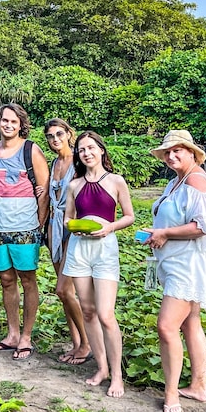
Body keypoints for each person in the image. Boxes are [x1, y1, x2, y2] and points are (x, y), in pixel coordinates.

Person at [143, 130, 206, 412]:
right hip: (175, 261)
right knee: (190, 323)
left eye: (178, 151)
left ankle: (171, 393)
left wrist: (165, 232)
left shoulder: (197, 181)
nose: (172, 156)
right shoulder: (177, 182)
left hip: (189, 265)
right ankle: (199, 386)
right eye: (168, 152)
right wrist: (159, 234)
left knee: (166, 326)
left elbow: (203, 226)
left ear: (191, 153)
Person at [62, 131, 134, 397]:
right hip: (80, 250)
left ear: (101, 150)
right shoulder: (74, 185)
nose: (87, 153)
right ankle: (101, 367)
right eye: (81, 150)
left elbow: (129, 216)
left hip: (105, 249)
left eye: (91, 148)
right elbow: (67, 219)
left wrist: (109, 227)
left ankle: (117, 375)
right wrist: (74, 227)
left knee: (106, 314)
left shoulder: (116, 181)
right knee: (88, 312)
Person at [0, 103, 49, 361]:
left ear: (21, 124)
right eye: (4, 121)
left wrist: (39, 225)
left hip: (26, 226)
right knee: (6, 280)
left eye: (13, 121)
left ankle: (26, 336)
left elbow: (43, 191)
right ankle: (12, 334)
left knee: (27, 280)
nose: (8, 125)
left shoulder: (31, 150)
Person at [43, 118, 90, 365]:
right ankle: (76, 343)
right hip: (54, 228)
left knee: (63, 289)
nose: (55, 139)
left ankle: (87, 342)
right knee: (65, 293)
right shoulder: (54, 163)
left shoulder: (79, 161)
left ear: (69, 134)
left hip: (73, 228)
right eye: (50, 136)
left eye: (59, 134)